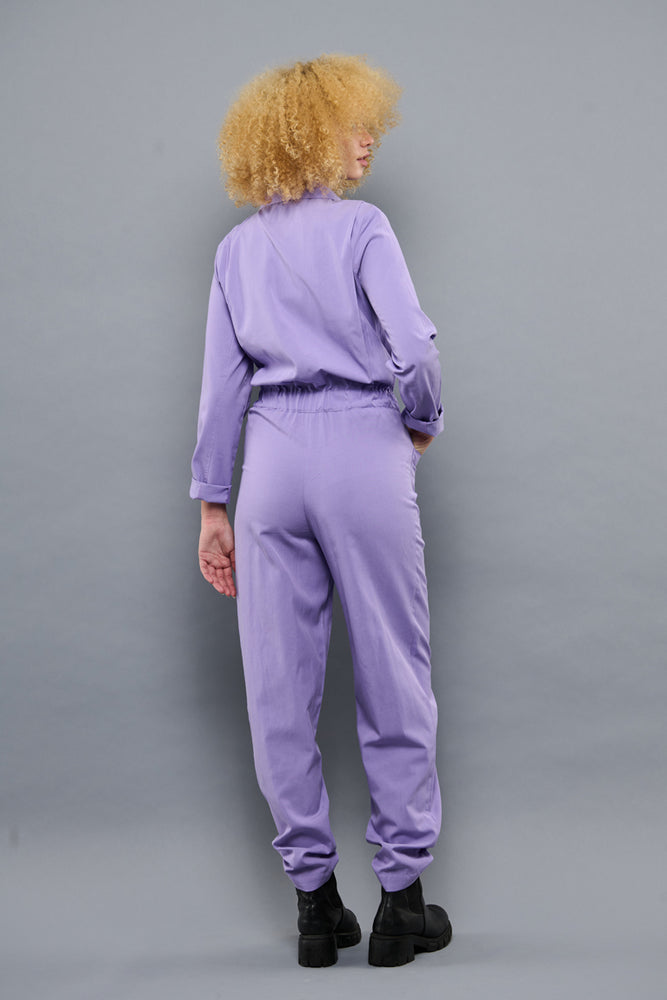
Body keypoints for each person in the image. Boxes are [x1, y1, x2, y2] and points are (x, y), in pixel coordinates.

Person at [189, 53, 452, 968]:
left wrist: (212, 504)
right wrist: (420, 422)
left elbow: (220, 391)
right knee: (392, 668)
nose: (367, 138)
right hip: (360, 445)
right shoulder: (363, 228)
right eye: (351, 124)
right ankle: (400, 905)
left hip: (268, 461)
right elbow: (413, 347)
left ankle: (314, 908)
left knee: (277, 686)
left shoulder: (235, 250)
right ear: (306, 133)